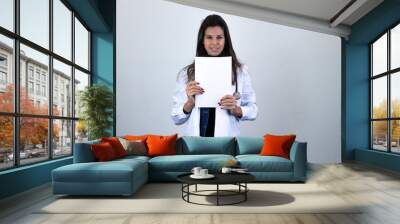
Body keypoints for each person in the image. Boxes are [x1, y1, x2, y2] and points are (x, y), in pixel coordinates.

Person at [171, 14, 258, 137]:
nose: (215, 43)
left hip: (226, 142)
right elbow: (176, 118)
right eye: (209, 37)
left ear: (226, 39)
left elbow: (253, 110)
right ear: (202, 40)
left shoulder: (240, 71)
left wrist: (236, 109)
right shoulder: (187, 74)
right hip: (196, 142)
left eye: (219, 37)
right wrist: (189, 103)